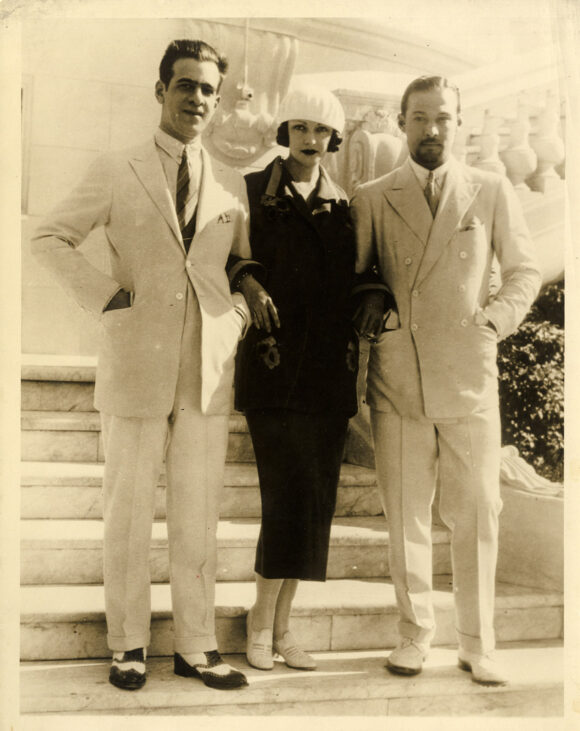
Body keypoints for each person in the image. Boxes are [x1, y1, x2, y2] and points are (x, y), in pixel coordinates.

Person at [31, 39, 265, 692]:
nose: (196, 98)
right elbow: (49, 236)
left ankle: (196, 645)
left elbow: (236, 264)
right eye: (185, 85)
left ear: (217, 102)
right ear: (160, 91)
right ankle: (127, 643)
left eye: (207, 89)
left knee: (198, 515)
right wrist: (107, 296)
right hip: (136, 364)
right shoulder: (117, 166)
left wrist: (236, 316)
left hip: (204, 376)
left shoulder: (227, 184)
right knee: (128, 511)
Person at [351, 76, 542, 685]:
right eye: (420, 118)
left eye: (444, 119)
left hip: (468, 371)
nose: (432, 130)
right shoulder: (373, 195)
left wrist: (492, 323)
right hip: (399, 374)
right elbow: (357, 277)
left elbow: (524, 269)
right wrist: (377, 304)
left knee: (480, 510)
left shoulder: (489, 189)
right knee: (406, 512)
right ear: (401, 122)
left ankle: (477, 642)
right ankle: (414, 636)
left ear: (458, 124)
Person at [234, 85, 359, 671]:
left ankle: (285, 629)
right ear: (286, 132)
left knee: (317, 500)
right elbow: (230, 256)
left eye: (322, 130)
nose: (311, 140)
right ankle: (260, 623)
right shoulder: (253, 191)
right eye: (301, 127)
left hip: (328, 376)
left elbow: (363, 276)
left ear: (335, 138)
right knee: (285, 495)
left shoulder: (343, 203)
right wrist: (250, 281)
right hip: (273, 368)